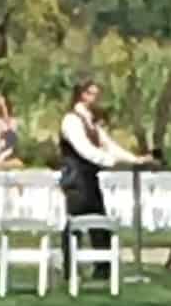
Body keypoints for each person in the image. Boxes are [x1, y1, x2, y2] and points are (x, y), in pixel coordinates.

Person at [59, 79, 150, 279]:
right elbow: (84, 149)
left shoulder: (90, 121)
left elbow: (108, 144)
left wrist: (133, 159)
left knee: (99, 222)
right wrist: (109, 161)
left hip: (89, 178)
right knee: (75, 224)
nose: (95, 98)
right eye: (91, 93)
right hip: (75, 179)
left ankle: (103, 269)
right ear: (82, 95)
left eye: (96, 94)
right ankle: (70, 269)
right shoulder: (71, 120)